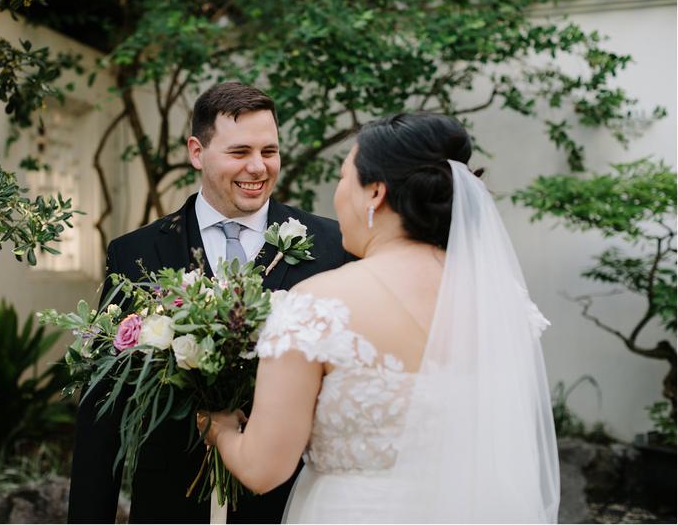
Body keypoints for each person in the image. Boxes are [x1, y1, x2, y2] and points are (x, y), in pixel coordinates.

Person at [199, 113, 561, 523]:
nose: (337, 194)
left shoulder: (318, 303)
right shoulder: (502, 302)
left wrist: (220, 429)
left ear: (374, 193)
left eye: (342, 178)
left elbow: (263, 470)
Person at [67, 82, 351, 524]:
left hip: (287, 503)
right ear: (197, 152)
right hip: (170, 503)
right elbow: (104, 406)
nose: (258, 167)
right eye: (239, 152)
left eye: (269, 151)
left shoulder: (331, 246)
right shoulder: (136, 253)